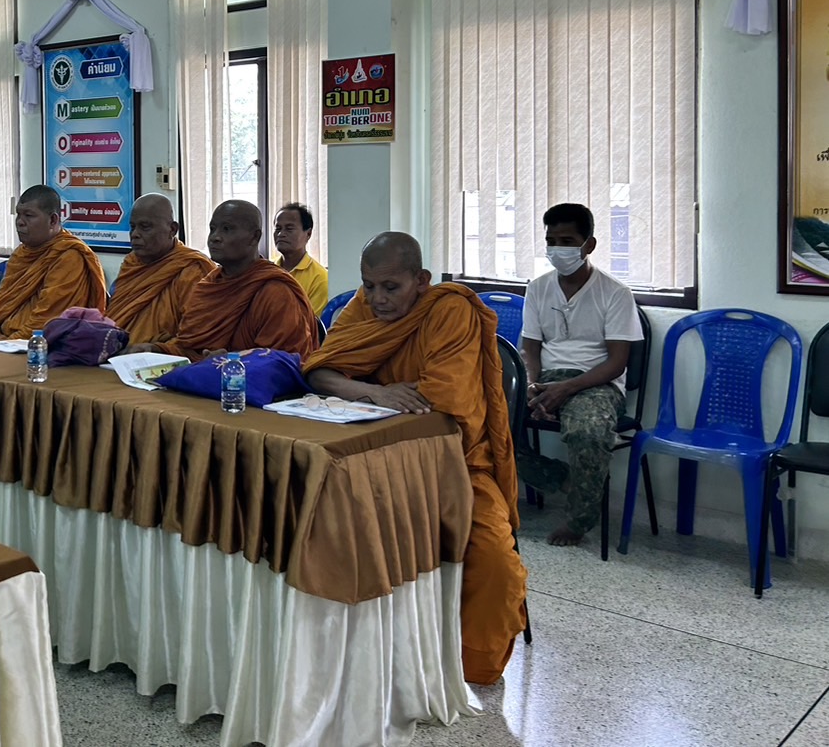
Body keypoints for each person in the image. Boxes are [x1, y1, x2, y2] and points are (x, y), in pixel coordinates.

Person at [303, 232, 527, 685]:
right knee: (327, 534)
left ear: (421, 280)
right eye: (369, 285)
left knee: (494, 561)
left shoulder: (450, 311)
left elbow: (442, 403)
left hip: (455, 461)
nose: (377, 299)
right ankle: (367, 659)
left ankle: (469, 666)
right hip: (372, 461)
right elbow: (319, 370)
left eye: (391, 287)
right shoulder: (362, 308)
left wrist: (367, 392)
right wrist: (373, 392)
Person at [517, 202, 644, 547]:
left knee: (588, 432)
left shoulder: (615, 293)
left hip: (596, 383)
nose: (557, 249)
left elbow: (617, 363)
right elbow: (530, 349)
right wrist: (531, 385)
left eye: (567, 241)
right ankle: (565, 479)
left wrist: (565, 389)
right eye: (551, 241)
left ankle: (579, 520)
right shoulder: (538, 288)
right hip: (546, 378)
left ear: (589, 245)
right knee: (484, 419)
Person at [137, 200, 319, 360]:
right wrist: (154, 349)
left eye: (227, 229)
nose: (215, 237)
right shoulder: (209, 285)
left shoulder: (275, 292)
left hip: (247, 385)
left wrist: (231, 361)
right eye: (212, 229)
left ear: (254, 237)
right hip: (201, 379)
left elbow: (283, 362)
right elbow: (190, 348)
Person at [0, 185, 107, 337]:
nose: (19, 222)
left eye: (28, 215)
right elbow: (0, 306)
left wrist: (7, 341)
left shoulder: (68, 257)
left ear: (53, 220)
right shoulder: (21, 254)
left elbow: (47, 322)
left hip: (35, 343)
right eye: (18, 214)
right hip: (3, 337)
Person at [105, 194, 214, 344]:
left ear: (172, 229)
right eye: (133, 227)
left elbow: (198, 334)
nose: (135, 234)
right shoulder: (131, 263)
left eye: (145, 227)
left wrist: (156, 348)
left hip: (163, 356)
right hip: (114, 352)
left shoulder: (192, 270)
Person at [273, 202, 329, 314]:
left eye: (289, 229)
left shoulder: (319, 278)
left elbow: (311, 321)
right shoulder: (268, 269)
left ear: (308, 234)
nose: (281, 234)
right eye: (278, 228)